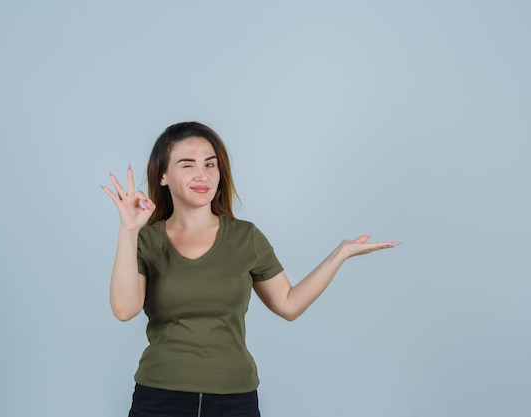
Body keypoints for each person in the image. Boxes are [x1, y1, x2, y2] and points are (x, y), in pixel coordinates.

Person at [101, 121, 399, 417]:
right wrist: (128, 232)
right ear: (163, 175)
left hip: (234, 399)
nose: (202, 174)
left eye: (210, 164)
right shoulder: (146, 240)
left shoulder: (246, 237)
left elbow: (289, 305)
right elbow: (125, 310)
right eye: (187, 165)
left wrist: (340, 253)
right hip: (159, 397)